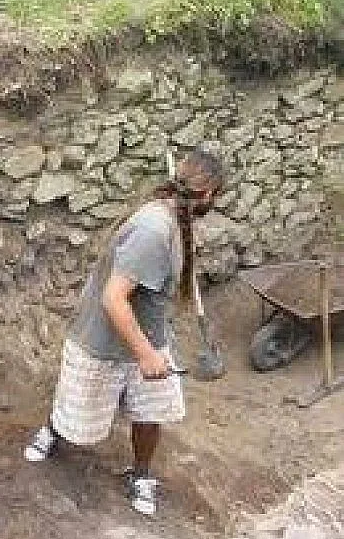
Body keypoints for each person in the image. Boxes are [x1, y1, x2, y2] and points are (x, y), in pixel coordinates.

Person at [23, 148, 224, 516]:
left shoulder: (177, 216)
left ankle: (141, 474)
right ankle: (53, 429)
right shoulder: (152, 230)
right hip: (105, 340)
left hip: (149, 334)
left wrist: (152, 349)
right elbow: (113, 299)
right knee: (78, 417)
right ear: (208, 194)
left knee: (152, 411)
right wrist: (146, 355)